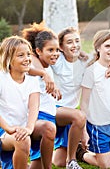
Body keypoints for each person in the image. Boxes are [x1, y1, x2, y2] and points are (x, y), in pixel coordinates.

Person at [79, 30, 110, 168]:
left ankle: (100, 154)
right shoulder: (91, 71)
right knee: (106, 166)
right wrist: (83, 131)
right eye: (107, 46)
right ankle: (81, 153)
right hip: (98, 125)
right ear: (98, 48)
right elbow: (83, 103)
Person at [0, 36, 40, 169]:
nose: (27, 58)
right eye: (21, 55)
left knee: (47, 128)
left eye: (28, 54)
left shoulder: (32, 81)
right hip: (3, 129)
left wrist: (29, 128)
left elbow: (34, 108)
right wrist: (8, 128)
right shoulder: (2, 78)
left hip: (21, 128)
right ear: (9, 59)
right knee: (22, 140)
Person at [23, 28, 60, 169]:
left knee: (35, 166)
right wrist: (44, 74)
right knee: (49, 129)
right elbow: (29, 66)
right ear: (38, 51)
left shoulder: (48, 66)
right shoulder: (32, 62)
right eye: (50, 50)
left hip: (49, 116)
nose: (55, 53)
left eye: (57, 50)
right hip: (38, 117)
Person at [50, 27, 86, 168]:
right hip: (53, 109)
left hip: (69, 113)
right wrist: (46, 76)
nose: (75, 45)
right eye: (69, 42)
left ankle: (75, 152)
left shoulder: (84, 62)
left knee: (58, 162)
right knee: (78, 116)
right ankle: (71, 161)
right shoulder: (56, 60)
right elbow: (36, 54)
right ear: (61, 47)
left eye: (77, 41)